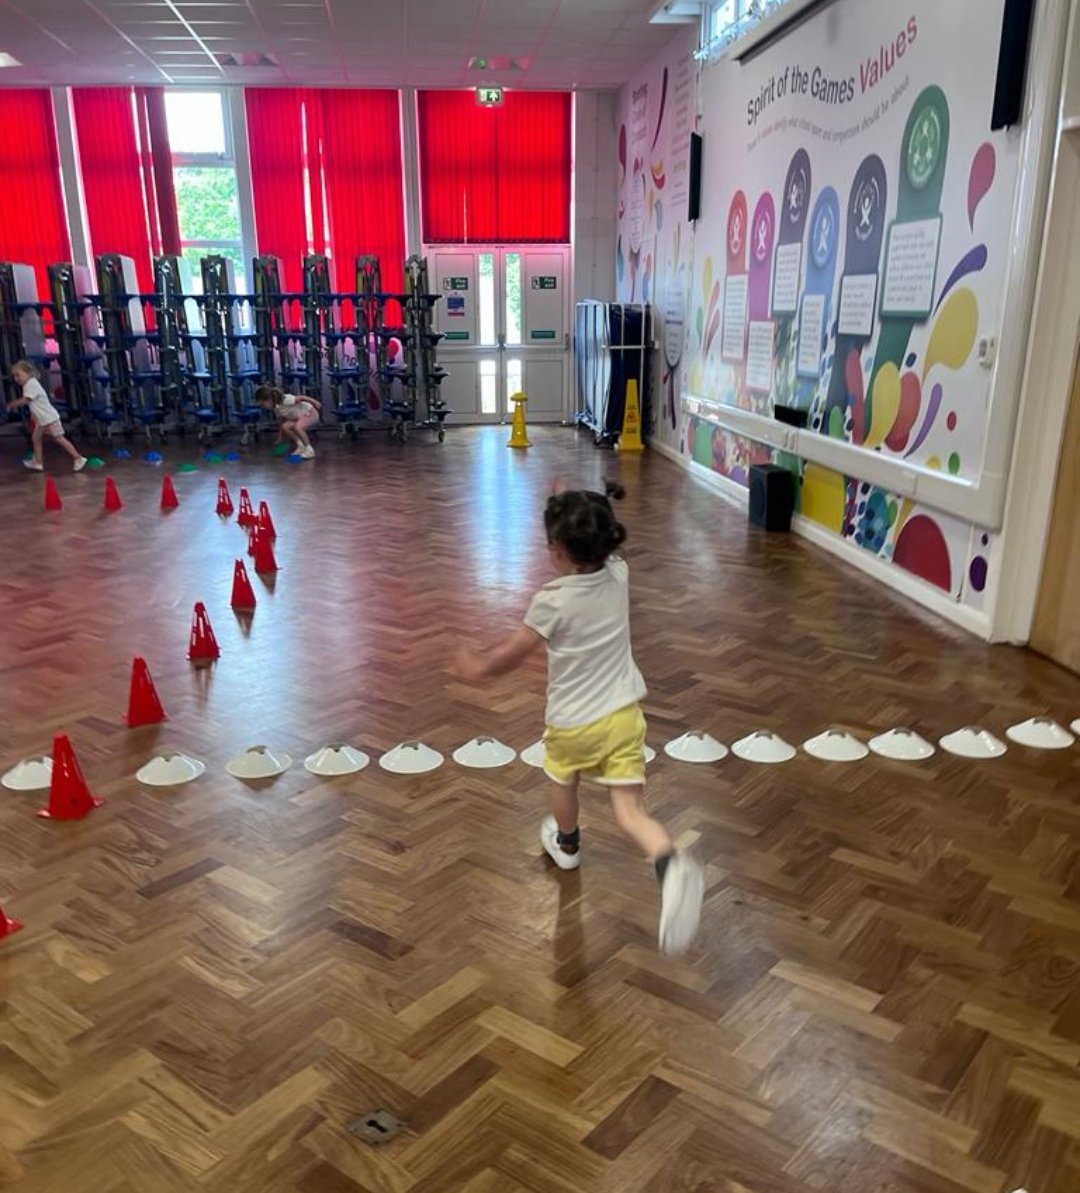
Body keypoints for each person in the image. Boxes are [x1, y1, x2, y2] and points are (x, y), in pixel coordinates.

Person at [455, 480, 705, 957]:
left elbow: (513, 652)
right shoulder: (620, 574)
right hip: (624, 717)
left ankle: (567, 845)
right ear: (608, 542)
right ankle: (670, 864)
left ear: (554, 550)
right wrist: (574, 497)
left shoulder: (553, 600)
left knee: (562, 780)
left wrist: (478, 667)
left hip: (573, 725)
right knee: (630, 813)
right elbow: (598, 539)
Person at [7, 361, 87, 473]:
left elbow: (27, 400)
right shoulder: (29, 384)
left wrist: (12, 404)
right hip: (43, 420)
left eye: (18, 375)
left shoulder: (31, 384)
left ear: (28, 373)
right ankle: (38, 463)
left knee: (58, 438)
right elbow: (35, 404)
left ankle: (78, 458)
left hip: (48, 419)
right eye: (14, 376)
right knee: (36, 438)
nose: (16, 378)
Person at [254, 384, 321, 459]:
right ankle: (300, 445)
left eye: (263, 404)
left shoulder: (286, 399)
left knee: (298, 427)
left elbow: (302, 398)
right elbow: (281, 422)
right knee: (285, 426)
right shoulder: (276, 408)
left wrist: (315, 402)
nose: (263, 407)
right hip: (300, 417)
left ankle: (310, 450)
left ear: (269, 399)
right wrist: (280, 437)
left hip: (310, 413)